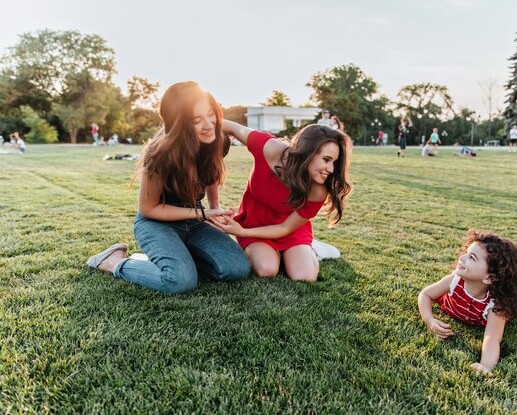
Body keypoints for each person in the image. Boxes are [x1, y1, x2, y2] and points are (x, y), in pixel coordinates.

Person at [86, 81, 250, 294]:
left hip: (195, 220)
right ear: (179, 124)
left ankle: (177, 257)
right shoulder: (160, 154)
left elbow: (210, 172)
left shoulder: (217, 139)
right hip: (156, 223)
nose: (209, 124)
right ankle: (113, 262)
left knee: (237, 268)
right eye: (196, 120)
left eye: (211, 114)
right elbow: (148, 209)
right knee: (179, 281)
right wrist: (203, 212)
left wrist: (214, 207)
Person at [211, 120, 352, 282]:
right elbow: (228, 126)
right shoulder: (269, 147)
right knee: (266, 269)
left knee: (304, 277)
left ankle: (312, 249)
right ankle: (280, 255)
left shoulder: (318, 189)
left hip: (289, 229)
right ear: (308, 152)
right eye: (326, 160)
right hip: (254, 223)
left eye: (334, 162)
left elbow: (285, 227)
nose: (331, 169)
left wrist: (241, 232)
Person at [418, 230, 517, 373]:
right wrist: (429, 320)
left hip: (502, 297)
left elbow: (492, 338)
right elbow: (425, 294)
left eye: (471, 257)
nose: (462, 257)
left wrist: (485, 365)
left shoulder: (497, 305)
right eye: (466, 252)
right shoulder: (454, 280)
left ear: (489, 277)